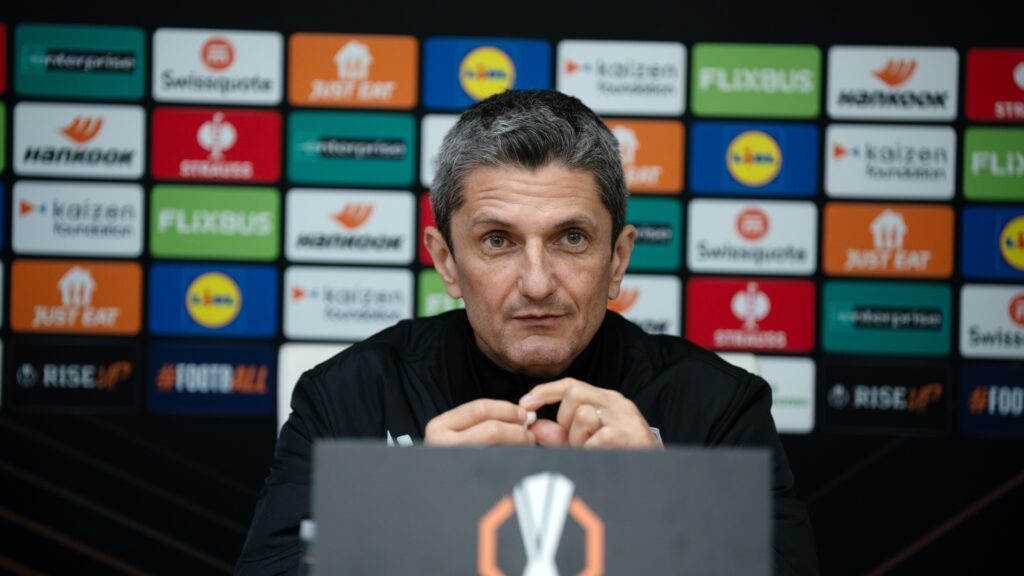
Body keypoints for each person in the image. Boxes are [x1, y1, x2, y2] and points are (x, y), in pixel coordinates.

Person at [237, 89, 818, 575]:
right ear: (446, 261)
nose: (537, 283)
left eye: (571, 238)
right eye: (498, 241)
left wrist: (667, 502)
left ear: (617, 258)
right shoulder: (348, 397)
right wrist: (407, 514)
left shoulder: (718, 407)